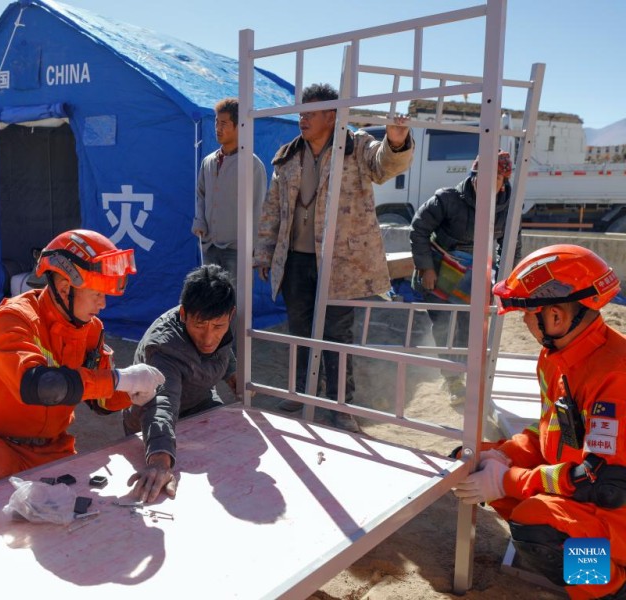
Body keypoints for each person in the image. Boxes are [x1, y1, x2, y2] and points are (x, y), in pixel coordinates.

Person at [454, 244, 626, 599]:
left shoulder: (615, 375)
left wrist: (509, 480)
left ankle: (609, 588)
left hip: (614, 504)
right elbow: (550, 431)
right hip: (594, 494)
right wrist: (503, 455)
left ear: (556, 316)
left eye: (527, 314)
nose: (525, 322)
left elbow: (603, 483)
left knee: (537, 520)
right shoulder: (557, 359)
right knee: (498, 482)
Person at [0, 229, 165, 491]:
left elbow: (103, 402)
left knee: (80, 500)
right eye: (96, 294)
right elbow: (41, 385)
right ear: (64, 287)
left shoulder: (90, 329)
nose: (103, 304)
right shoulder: (12, 319)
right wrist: (118, 379)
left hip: (54, 448)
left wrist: (135, 388)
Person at [253, 82, 413, 432]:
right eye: (301, 112)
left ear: (332, 115)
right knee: (300, 330)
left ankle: (341, 406)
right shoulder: (288, 155)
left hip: (341, 262)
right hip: (296, 260)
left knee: (337, 335)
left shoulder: (356, 148)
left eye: (310, 113)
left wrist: (397, 140)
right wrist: (264, 252)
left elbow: (384, 165)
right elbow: (272, 209)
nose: (302, 119)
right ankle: (301, 392)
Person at [410, 150, 522, 404]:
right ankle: (453, 381)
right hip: (439, 272)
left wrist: (506, 284)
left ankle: (468, 377)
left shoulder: (508, 208)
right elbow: (419, 229)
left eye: (492, 178)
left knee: (471, 328)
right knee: (445, 327)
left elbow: (511, 246)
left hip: (475, 275)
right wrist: (426, 268)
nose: (482, 183)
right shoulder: (447, 199)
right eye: (478, 176)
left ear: (503, 181)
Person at [123, 264, 237, 502]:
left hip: (201, 403)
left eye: (218, 326)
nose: (209, 338)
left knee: (235, 451)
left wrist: (237, 382)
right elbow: (161, 403)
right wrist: (159, 462)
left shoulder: (220, 324)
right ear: (184, 314)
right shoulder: (164, 346)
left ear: (231, 315)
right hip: (151, 419)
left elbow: (224, 353)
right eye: (199, 326)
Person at [192, 97, 268, 285]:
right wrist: (199, 221)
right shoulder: (208, 161)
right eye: (216, 122)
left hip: (237, 249)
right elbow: (201, 194)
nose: (218, 128)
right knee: (211, 300)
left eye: (224, 123)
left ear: (239, 126)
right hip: (210, 245)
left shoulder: (251, 164)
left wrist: (253, 249)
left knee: (234, 302)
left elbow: (258, 207)